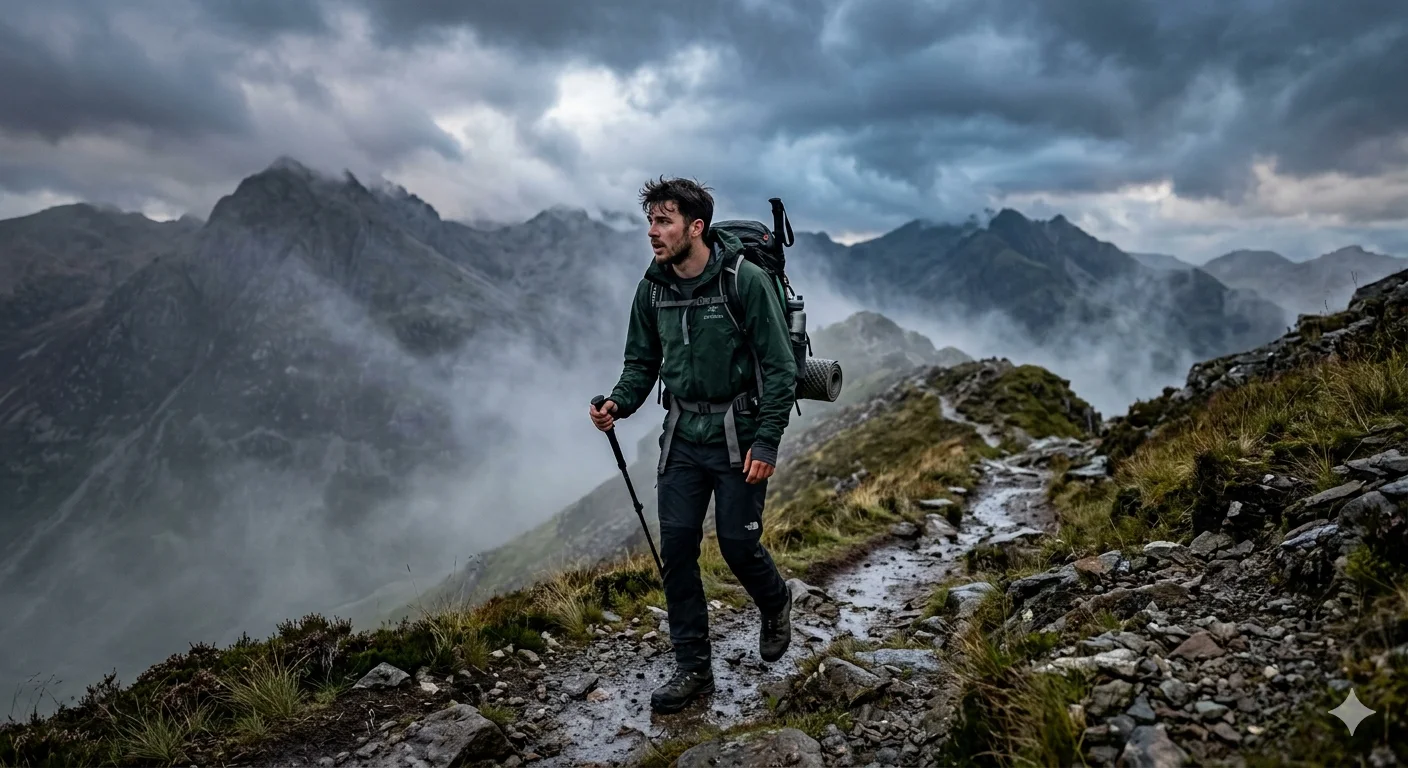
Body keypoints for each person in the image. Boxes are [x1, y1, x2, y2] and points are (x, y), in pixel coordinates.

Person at [589, 176, 797, 714]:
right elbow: (642, 363)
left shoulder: (742, 281)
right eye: (651, 222)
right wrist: (618, 403)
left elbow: (778, 370)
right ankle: (693, 669)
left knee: (738, 546)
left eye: (665, 221)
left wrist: (768, 442)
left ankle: (776, 601)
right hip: (682, 437)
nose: (653, 233)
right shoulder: (652, 287)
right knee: (677, 551)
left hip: (740, 435)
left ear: (695, 227)